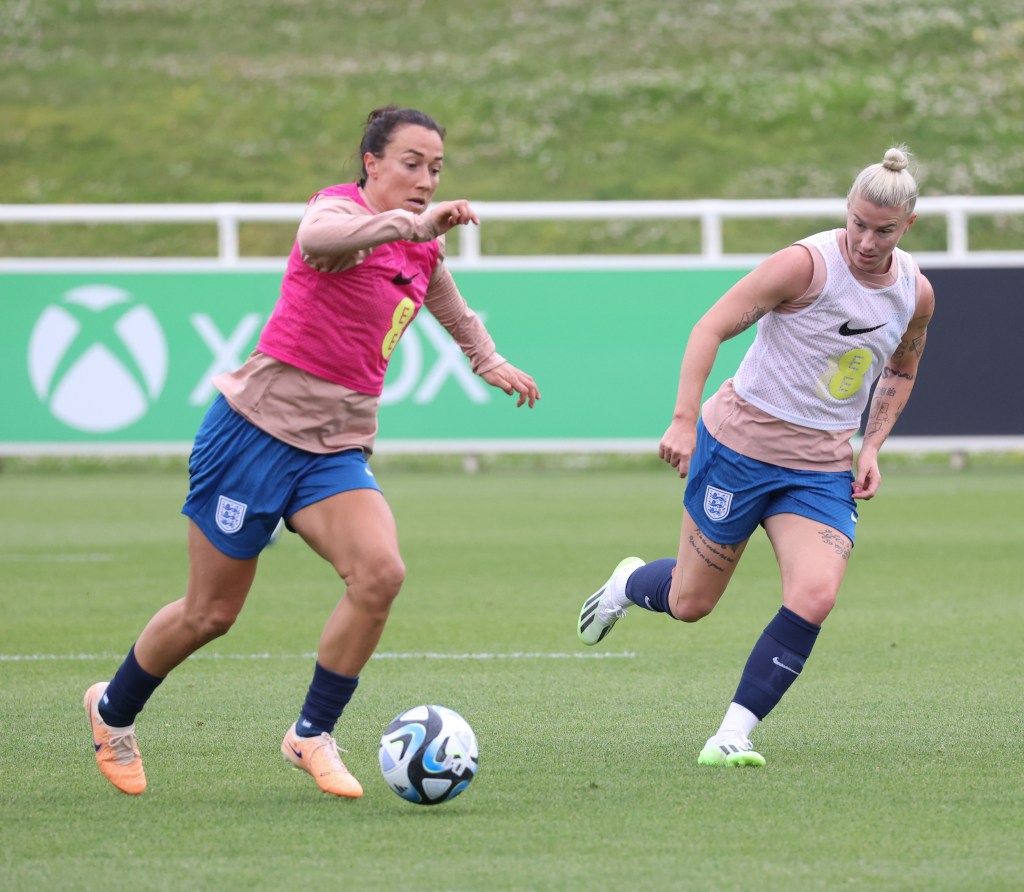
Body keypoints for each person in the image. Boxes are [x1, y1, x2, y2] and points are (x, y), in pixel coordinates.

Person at [85, 106, 540, 797]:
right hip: (253, 435)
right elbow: (319, 239)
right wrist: (411, 223)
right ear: (371, 164)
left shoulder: (420, 245)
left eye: (436, 168)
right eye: (412, 164)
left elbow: (450, 305)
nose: (426, 180)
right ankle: (113, 711)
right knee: (210, 614)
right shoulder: (337, 213)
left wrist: (488, 358)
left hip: (334, 449)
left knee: (380, 574)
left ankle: (311, 734)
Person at [577, 146, 933, 767]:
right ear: (846, 211)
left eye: (883, 231)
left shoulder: (915, 293)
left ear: (908, 226)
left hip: (820, 470)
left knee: (815, 595)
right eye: (857, 223)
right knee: (691, 604)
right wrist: (683, 420)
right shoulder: (805, 266)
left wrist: (872, 445)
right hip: (737, 451)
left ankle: (731, 735)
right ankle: (628, 583)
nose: (865, 241)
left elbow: (902, 366)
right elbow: (709, 327)